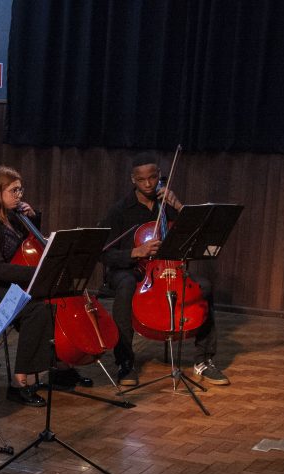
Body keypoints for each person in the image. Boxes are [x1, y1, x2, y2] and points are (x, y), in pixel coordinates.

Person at [0, 166, 93, 407]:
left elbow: (30, 248)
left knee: (53, 298)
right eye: (13, 190)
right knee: (38, 308)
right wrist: (37, 273)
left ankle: (60, 366)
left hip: (15, 284)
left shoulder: (14, 219)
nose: (19, 195)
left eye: (20, 190)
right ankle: (20, 382)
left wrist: (33, 218)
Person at [98, 152, 228, 386]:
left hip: (168, 270)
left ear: (159, 175)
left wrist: (177, 205)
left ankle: (204, 360)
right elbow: (103, 253)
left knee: (205, 287)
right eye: (141, 179)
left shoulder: (169, 205)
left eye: (153, 177)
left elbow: (195, 234)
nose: (148, 184)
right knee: (126, 285)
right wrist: (135, 252)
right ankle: (125, 362)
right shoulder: (120, 210)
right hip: (130, 269)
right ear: (132, 180)